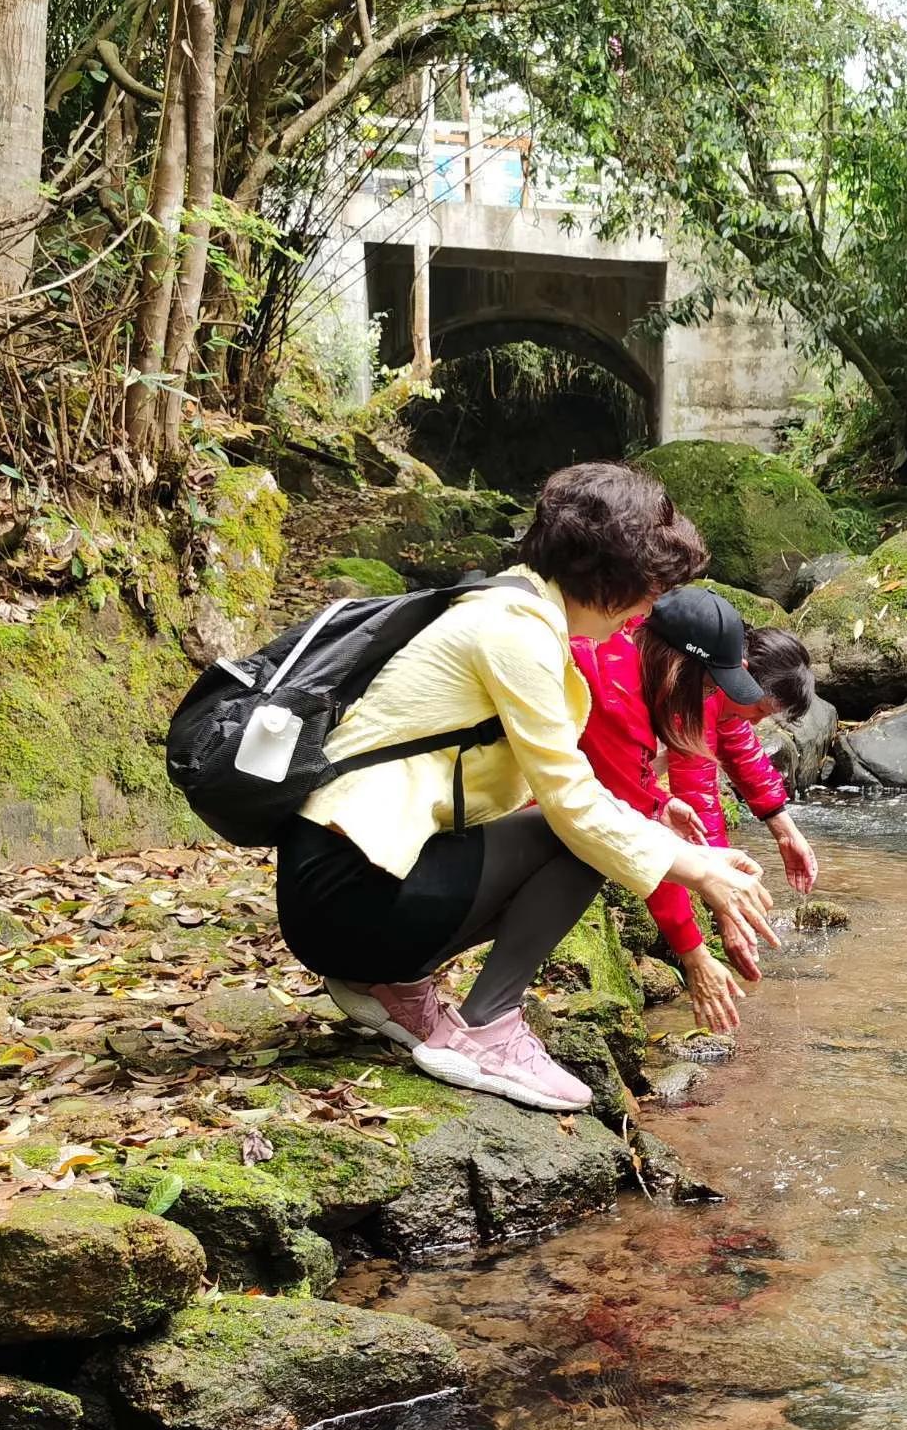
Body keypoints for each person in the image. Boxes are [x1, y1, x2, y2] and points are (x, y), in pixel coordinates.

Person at [274, 462, 775, 1113]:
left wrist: (672, 833)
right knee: (577, 843)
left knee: (602, 831)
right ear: (606, 575)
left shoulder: (513, 609)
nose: (643, 615)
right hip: (340, 896)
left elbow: (564, 782)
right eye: (646, 593)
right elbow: (574, 804)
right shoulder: (514, 632)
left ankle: (393, 982)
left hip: (338, 884)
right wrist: (696, 870)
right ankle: (485, 1028)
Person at [573, 587, 820, 1031]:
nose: (757, 724)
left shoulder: (700, 672)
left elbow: (735, 744)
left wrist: (783, 828)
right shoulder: (670, 686)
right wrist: (713, 921)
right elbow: (684, 806)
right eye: (759, 709)